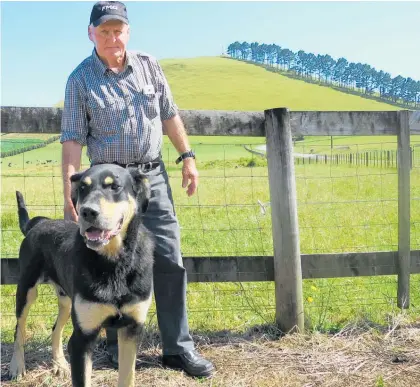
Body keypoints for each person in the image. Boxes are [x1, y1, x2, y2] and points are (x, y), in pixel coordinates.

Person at [60, 0, 214, 378]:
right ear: (91, 33)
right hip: (106, 187)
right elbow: (73, 140)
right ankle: (113, 344)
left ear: (128, 31)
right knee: (105, 260)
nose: (113, 37)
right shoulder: (79, 80)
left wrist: (188, 156)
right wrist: (70, 192)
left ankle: (177, 349)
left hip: (151, 179)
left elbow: (169, 113)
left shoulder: (148, 65)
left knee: (169, 260)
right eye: (105, 30)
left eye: (119, 30)